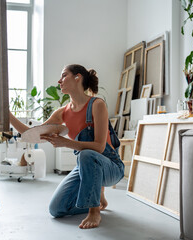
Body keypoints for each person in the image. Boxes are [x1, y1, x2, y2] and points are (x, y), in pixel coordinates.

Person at [9, 64, 124, 229]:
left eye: (64, 75)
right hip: (85, 167)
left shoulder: (97, 105)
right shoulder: (62, 113)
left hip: (111, 167)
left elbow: (99, 147)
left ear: (78, 77)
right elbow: (32, 134)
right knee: (56, 209)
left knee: (86, 155)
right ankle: (96, 195)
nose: (59, 80)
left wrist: (66, 143)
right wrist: (8, 115)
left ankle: (94, 211)